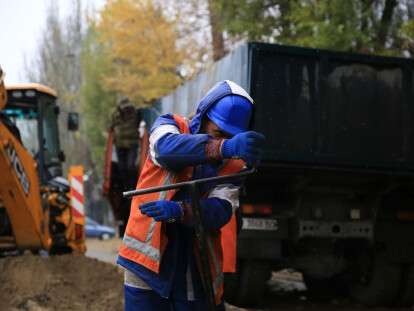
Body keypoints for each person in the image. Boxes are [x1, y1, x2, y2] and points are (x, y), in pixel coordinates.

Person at [117, 80, 265, 311]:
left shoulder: (235, 165)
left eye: (230, 137)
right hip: (147, 263)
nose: (224, 140)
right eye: (218, 133)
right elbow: (166, 150)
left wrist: (181, 211)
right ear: (203, 118)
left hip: (195, 262)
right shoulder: (168, 125)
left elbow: (221, 210)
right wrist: (220, 148)